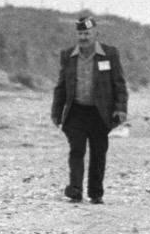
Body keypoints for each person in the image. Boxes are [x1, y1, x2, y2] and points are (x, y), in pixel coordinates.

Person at [51, 15, 129, 204]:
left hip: (100, 113)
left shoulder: (110, 54)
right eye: (80, 33)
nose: (83, 37)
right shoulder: (68, 55)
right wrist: (56, 111)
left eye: (87, 33)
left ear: (96, 34)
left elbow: (119, 84)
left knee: (98, 152)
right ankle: (75, 189)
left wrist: (120, 109)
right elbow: (61, 85)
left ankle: (96, 193)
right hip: (76, 112)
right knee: (76, 150)